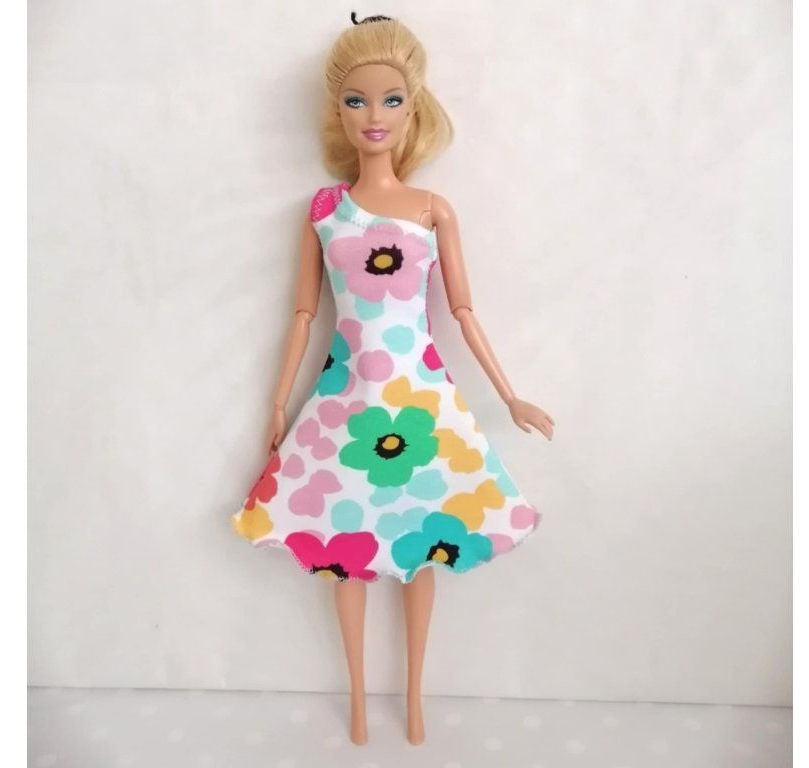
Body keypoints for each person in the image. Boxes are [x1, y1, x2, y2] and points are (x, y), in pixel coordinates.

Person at [232, 11, 555, 746]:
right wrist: (278, 401)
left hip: (421, 403)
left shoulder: (432, 211)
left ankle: (412, 699)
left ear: (413, 107)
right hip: (345, 404)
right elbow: (302, 313)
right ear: (338, 110)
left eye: (390, 99)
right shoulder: (324, 210)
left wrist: (509, 395)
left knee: (422, 547)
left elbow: (463, 310)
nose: (373, 115)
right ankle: (355, 699)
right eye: (356, 99)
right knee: (347, 553)